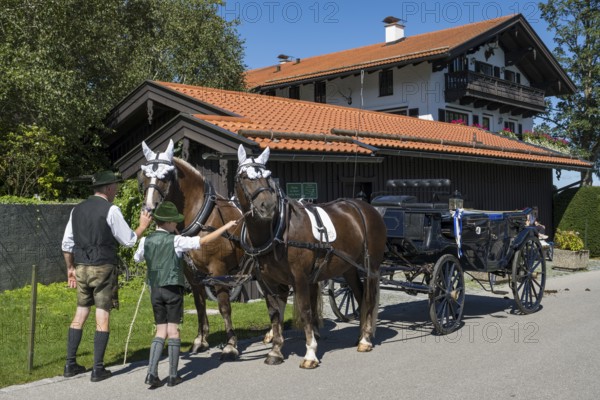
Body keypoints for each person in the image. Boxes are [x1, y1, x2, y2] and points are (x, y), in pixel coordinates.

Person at [134, 201, 238, 388]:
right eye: (174, 222)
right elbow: (203, 241)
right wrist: (226, 226)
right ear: (167, 223)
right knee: (173, 331)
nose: (176, 224)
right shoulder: (177, 241)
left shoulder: (145, 241)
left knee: (160, 331)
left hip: (155, 291)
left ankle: (151, 373)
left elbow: (137, 258)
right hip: (172, 290)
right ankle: (173, 375)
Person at [62, 170, 152, 382]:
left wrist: (70, 268)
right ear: (109, 188)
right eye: (116, 186)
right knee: (102, 314)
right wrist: (142, 226)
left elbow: (67, 244)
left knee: (80, 313)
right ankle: (98, 368)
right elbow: (128, 240)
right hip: (103, 267)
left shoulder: (77, 209)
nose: (117, 190)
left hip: (81, 266)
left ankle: (70, 364)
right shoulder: (111, 210)